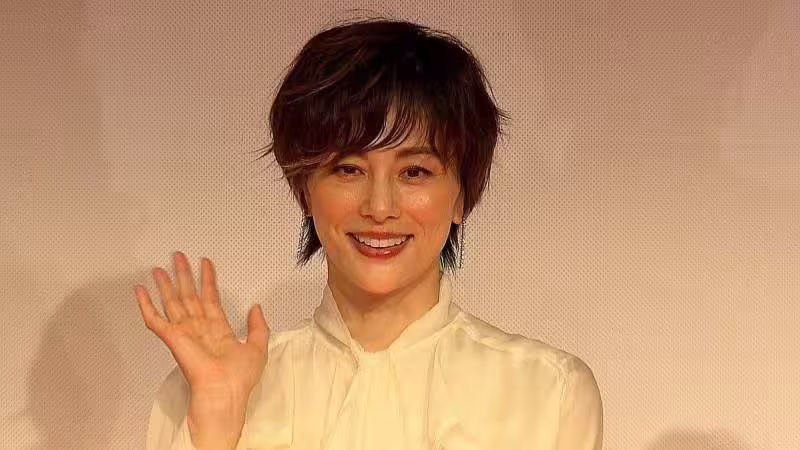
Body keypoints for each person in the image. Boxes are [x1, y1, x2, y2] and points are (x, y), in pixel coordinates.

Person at [135, 17, 603, 450]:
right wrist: (217, 424)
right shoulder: (204, 388)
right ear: (304, 189)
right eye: (348, 169)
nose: (379, 207)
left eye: (415, 172)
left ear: (461, 196)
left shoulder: (548, 392)